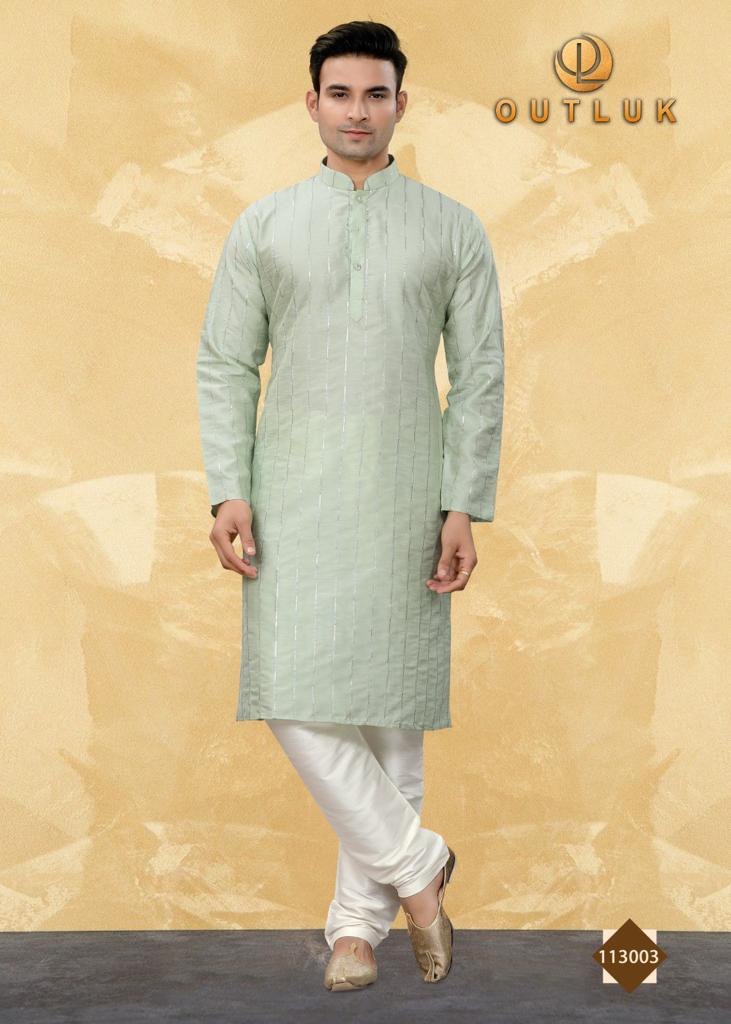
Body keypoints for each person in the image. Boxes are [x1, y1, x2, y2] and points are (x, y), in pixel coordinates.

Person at [196, 20, 504, 991]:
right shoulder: (265, 224)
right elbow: (226, 361)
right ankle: (419, 868)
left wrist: (462, 503)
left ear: (400, 104)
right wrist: (229, 486)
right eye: (340, 94)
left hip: (407, 488)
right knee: (291, 694)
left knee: (389, 716)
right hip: (288, 492)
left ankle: (355, 934)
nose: (357, 112)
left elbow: (479, 376)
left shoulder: (451, 227)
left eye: (375, 94)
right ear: (311, 103)